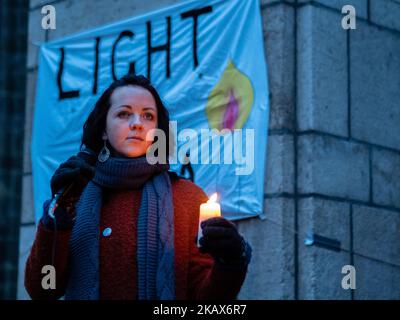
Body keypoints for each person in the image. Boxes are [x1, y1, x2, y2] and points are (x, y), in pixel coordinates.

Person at [25, 74, 252, 300]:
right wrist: (58, 217)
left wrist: (230, 261)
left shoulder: (188, 198)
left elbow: (208, 300)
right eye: (124, 114)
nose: (137, 123)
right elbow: (43, 288)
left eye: (148, 116)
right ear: (103, 128)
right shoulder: (75, 195)